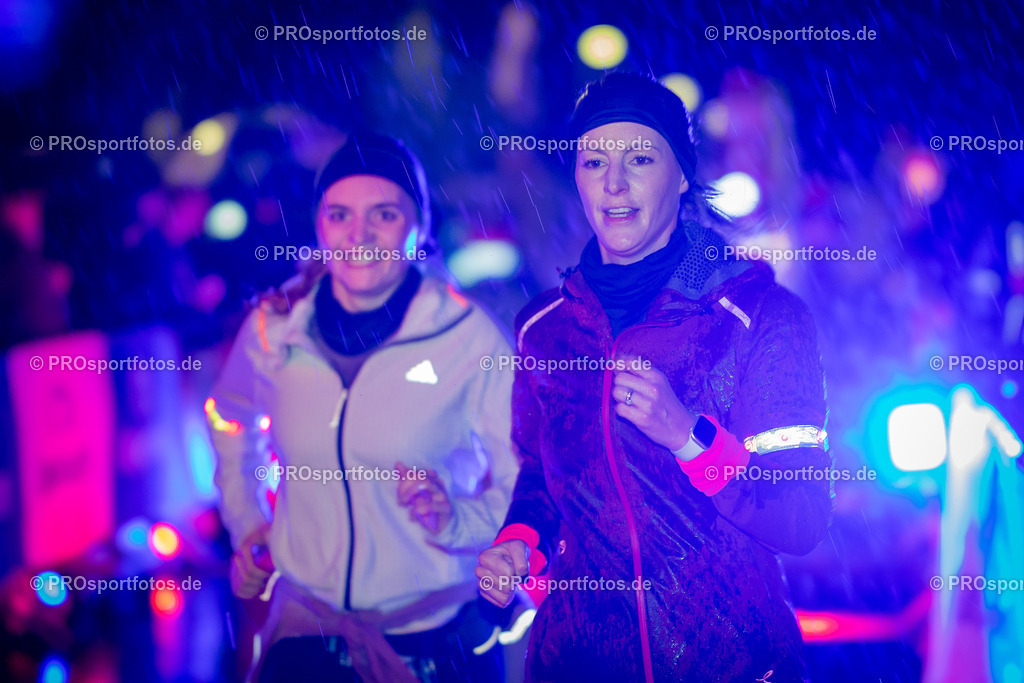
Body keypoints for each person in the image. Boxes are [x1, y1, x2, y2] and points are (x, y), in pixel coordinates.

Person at [475, 72, 831, 682]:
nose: (614, 183)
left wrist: (691, 437)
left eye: (640, 158)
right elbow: (541, 472)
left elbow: (800, 520)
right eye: (593, 161)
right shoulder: (545, 330)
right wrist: (521, 539)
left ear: (683, 175)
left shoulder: (758, 316)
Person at [210, 132, 518, 682]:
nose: (359, 235)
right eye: (339, 215)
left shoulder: (469, 339)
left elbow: (528, 481)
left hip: (437, 644)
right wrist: (249, 522)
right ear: (320, 224)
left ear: (418, 227)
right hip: (308, 641)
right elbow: (228, 415)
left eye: (384, 214)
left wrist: (457, 519)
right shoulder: (275, 327)